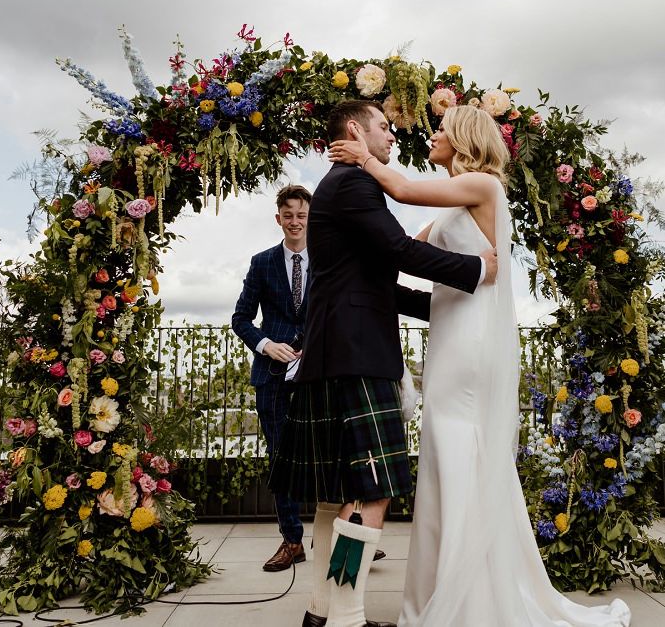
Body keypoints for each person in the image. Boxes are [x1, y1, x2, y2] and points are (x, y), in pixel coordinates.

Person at [328, 104, 631, 627]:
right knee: (448, 457)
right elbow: (401, 252)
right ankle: (444, 589)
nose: (432, 134)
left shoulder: (483, 187)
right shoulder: (450, 207)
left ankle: (466, 600)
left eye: (441, 129)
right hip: (448, 338)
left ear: (464, 138)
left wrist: (365, 159)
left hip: (468, 347)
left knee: (458, 447)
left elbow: (400, 190)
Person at [269, 100, 498, 627]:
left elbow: (376, 283)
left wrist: (443, 307)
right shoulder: (354, 185)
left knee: (336, 498)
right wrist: (475, 270)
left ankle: (322, 611)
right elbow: (399, 251)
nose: (392, 136)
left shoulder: (339, 187)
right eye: (385, 127)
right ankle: (347, 618)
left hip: (336, 351)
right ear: (355, 130)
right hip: (356, 354)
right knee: (373, 491)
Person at [232, 184, 312, 572]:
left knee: (332, 454)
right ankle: (292, 540)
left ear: (309, 217)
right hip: (272, 375)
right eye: (288, 214)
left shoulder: (328, 261)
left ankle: (344, 532)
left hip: (319, 373)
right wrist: (266, 345)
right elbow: (240, 318)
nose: (295, 221)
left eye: (302, 214)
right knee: (281, 458)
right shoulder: (261, 262)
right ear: (278, 218)